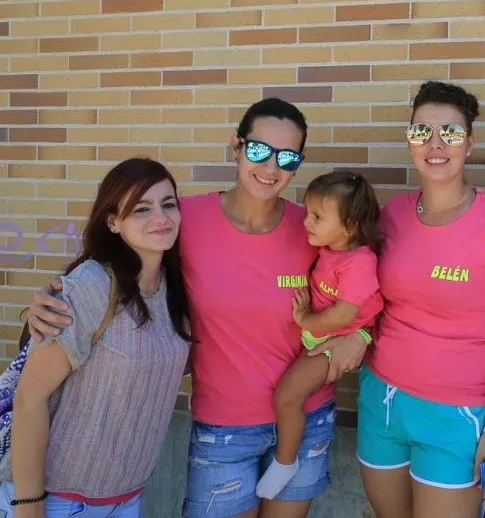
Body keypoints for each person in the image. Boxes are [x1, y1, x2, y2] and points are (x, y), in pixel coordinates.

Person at [24, 98, 371, 518]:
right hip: (225, 428)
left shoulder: (313, 228)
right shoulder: (185, 219)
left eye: (287, 157)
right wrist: (56, 296)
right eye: (259, 150)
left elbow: (369, 285)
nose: (270, 167)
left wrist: (361, 335)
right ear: (236, 147)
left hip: (306, 417)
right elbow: (125, 261)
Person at [356, 81, 485, 518]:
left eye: (450, 133)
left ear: (469, 144)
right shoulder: (391, 214)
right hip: (381, 402)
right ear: (410, 141)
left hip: (456, 414)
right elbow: (368, 300)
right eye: (422, 132)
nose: (435, 144)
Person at [0, 157, 191, 517]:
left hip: (126, 496)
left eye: (168, 204)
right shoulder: (92, 286)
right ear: (113, 222)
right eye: (141, 209)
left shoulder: (174, 290)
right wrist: (28, 505)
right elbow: (29, 398)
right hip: (58, 499)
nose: (161, 217)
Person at [256, 171, 384, 500]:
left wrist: (305, 319)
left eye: (317, 217)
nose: (306, 222)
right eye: (307, 212)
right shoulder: (331, 249)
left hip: (332, 344)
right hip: (321, 338)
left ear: (350, 226)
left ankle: (285, 461)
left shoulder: (359, 263)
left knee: (287, 396)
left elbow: (344, 314)